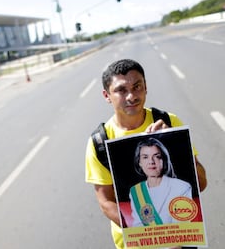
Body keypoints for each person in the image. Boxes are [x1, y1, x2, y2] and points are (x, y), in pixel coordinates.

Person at [84, 59, 207, 248]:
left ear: (146, 87)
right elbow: (106, 202)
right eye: (121, 90)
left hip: (181, 242)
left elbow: (201, 183)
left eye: (137, 86)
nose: (131, 96)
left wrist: (175, 145)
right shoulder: (100, 141)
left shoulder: (169, 122)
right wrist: (148, 234)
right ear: (107, 95)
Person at [129, 137, 192, 227]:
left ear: (164, 160)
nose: (151, 161)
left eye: (157, 157)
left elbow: (181, 228)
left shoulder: (181, 187)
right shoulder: (135, 191)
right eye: (145, 157)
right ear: (139, 162)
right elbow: (138, 226)